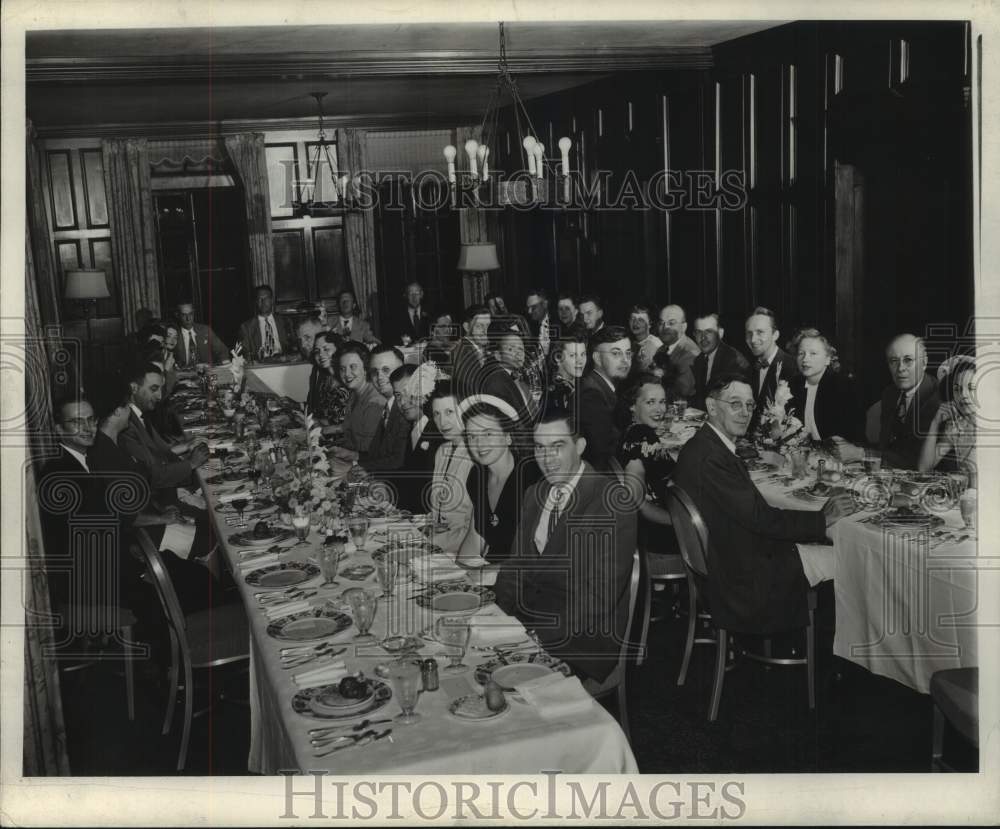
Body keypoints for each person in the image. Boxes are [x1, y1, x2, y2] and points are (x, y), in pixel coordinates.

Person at [672, 375, 855, 634]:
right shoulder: (711, 458)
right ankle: (829, 660)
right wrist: (822, 519)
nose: (745, 413)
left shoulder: (703, 446)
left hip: (726, 559)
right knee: (851, 559)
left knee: (817, 540)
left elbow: (753, 516)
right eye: (735, 404)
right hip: (742, 577)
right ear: (712, 407)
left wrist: (814, 526)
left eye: (749, 405)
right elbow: (761, 519)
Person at [493, 410, 637, 689]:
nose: (547, 459)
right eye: (540, 447)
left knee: (501, 695)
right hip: (528, 621)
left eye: (558, 446)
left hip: (579, 639)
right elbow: (515, 566)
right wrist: (497, 617)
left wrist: (535, 635)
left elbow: (598, 597)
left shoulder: (611, 503)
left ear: (580, 446)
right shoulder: (535, 494)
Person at [834, 334, 941, 470]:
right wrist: (852, 447)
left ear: (924, 363)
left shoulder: (935, 398)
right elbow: (887, 448)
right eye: (893, 361)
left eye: (908, 360)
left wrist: (860, 453)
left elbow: (915, 461)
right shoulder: (890, 393)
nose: (900, 368)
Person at [458, 403, 540, 565]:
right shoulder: (476, 477)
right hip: (490, 573)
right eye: (472, 436)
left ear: (508, 436)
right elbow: (476, 536)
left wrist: (482, 575)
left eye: (488, 433)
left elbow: (538, 553)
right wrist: (456, 575)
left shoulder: (532, 477)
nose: (479, 444)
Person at [118, 362, 210, 500]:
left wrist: (186, 445)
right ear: (134, 388)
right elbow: (154, 475)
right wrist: (191, 463)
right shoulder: (126, 426)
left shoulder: (140, 414)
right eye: (153, 389)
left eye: (161, 389)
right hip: (160, 499)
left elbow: (157, 453)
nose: (160, 396)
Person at [618, 374, 676, 539]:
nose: (660, 410)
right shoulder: (640, 437)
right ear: (632, 405)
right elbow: (636, 502)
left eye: (662, 401)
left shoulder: (635, 431)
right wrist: (678, 521)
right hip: (661, 534)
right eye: (650, 402)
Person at [787, 328, 864, 443]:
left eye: (813, 353)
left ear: (828, 359)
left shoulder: (844, 387)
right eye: (801, 353)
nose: (805, 359)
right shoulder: (794, 385)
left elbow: (852, 436)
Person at [340, 346, 409, 472]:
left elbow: (399, 462)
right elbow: (380, 455)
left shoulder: (406, 408)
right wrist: (355, 457)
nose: (379, 377)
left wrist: (360, 466)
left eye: (386, 370)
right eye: (374, 371)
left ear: (402, 370)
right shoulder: (389, 406)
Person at [425, 381, 474, 555]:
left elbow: (471, 532)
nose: (442, 421)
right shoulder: (442, 451)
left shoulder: (477, 455)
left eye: (449, 412)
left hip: (464, 554)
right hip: (439, 548)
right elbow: (437, 512)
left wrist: (426, 545)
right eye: (436, 414)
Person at [388, 364, 444, 513]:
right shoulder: (413, 428)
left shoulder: (439, 431)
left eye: (409, 392)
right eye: (398, 395)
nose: (403, 402)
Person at [578, 325, 632, 470]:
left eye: (628, 353)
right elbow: (604, 455)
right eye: (616, 353)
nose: (625, 360)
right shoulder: (591, 395)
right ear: (598, 358)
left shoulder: (603, 385)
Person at [919, 358, 976, 482]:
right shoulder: (957, 426)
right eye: (957, 389)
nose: (963, 395)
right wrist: (934, 423)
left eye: (971, 388)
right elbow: (924, 469)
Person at [744, 306, 798, 432]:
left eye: (760, 332)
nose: (752, 340)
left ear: (775, 335)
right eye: (749, 333)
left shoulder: (792, 368)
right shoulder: (748, 368)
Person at [481, 326, 538, 429]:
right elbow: (510, 428)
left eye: (521, 348)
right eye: (511, 349)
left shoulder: (514, 375)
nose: (518, 353)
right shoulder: (496, 383)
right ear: (498, 355)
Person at [334, 342, 387, 454]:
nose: (347, 374)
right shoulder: (354, 394)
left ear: (365, 368)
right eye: (342, 369)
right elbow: (350, 435)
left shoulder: (375, 403)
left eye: (353, 367)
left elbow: (368, 450)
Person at [691, 312, 750, 411]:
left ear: (720, 333)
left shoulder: (734, 361)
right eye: (698, 332)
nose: (703, 337)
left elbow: (731, 406)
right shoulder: (699, 360)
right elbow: (701, 398)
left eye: (709, 331)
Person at [653, 303, 699, 399]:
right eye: (661, 323)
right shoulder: (662, 349)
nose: (665, 327)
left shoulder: (690, 353)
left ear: (684, 327)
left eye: (671, 323)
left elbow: (681, 393)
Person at [306, 330, 350, 427]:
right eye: (317, 351)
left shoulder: (348, 379)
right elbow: (321, 413)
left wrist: (314, 422)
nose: (321, 355)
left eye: (326, 349)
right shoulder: (325, 379)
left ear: (338, 350)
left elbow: (344, 424)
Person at [237, 284, 290, 360]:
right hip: (261, 366)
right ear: (256, 302)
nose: (263, 302)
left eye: (266, 298)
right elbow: (245, 353)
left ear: (272, 300)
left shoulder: (285, 322)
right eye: (259, 299)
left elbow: (293, 347)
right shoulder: (246, 327)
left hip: (283, 363)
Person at [449, 304, 492, 399]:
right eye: (479, 326)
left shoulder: (477, 348)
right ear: (467, 327)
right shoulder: (462, 354)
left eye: (487, 326)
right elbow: (471, 394)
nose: (485, 331)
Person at [173, 300, 229, 367]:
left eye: (190, 314)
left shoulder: (205, 330)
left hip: (206, 371)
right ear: (177, 315)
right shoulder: (173, 333)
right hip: (184, 373)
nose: (188, 318)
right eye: (184, 315)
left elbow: (222, 350)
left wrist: (224, 363)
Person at [544, 333, 588, 416]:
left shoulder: (586, 385)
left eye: (583, 354)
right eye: (573, 355)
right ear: (558, 358)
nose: (580, 361)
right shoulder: (548, 393)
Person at [629, 305, 663, 373]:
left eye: (641, 320)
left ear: (650, 324)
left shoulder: (654, 344)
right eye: (633, 319)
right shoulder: (631, 343)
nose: (635, 323)